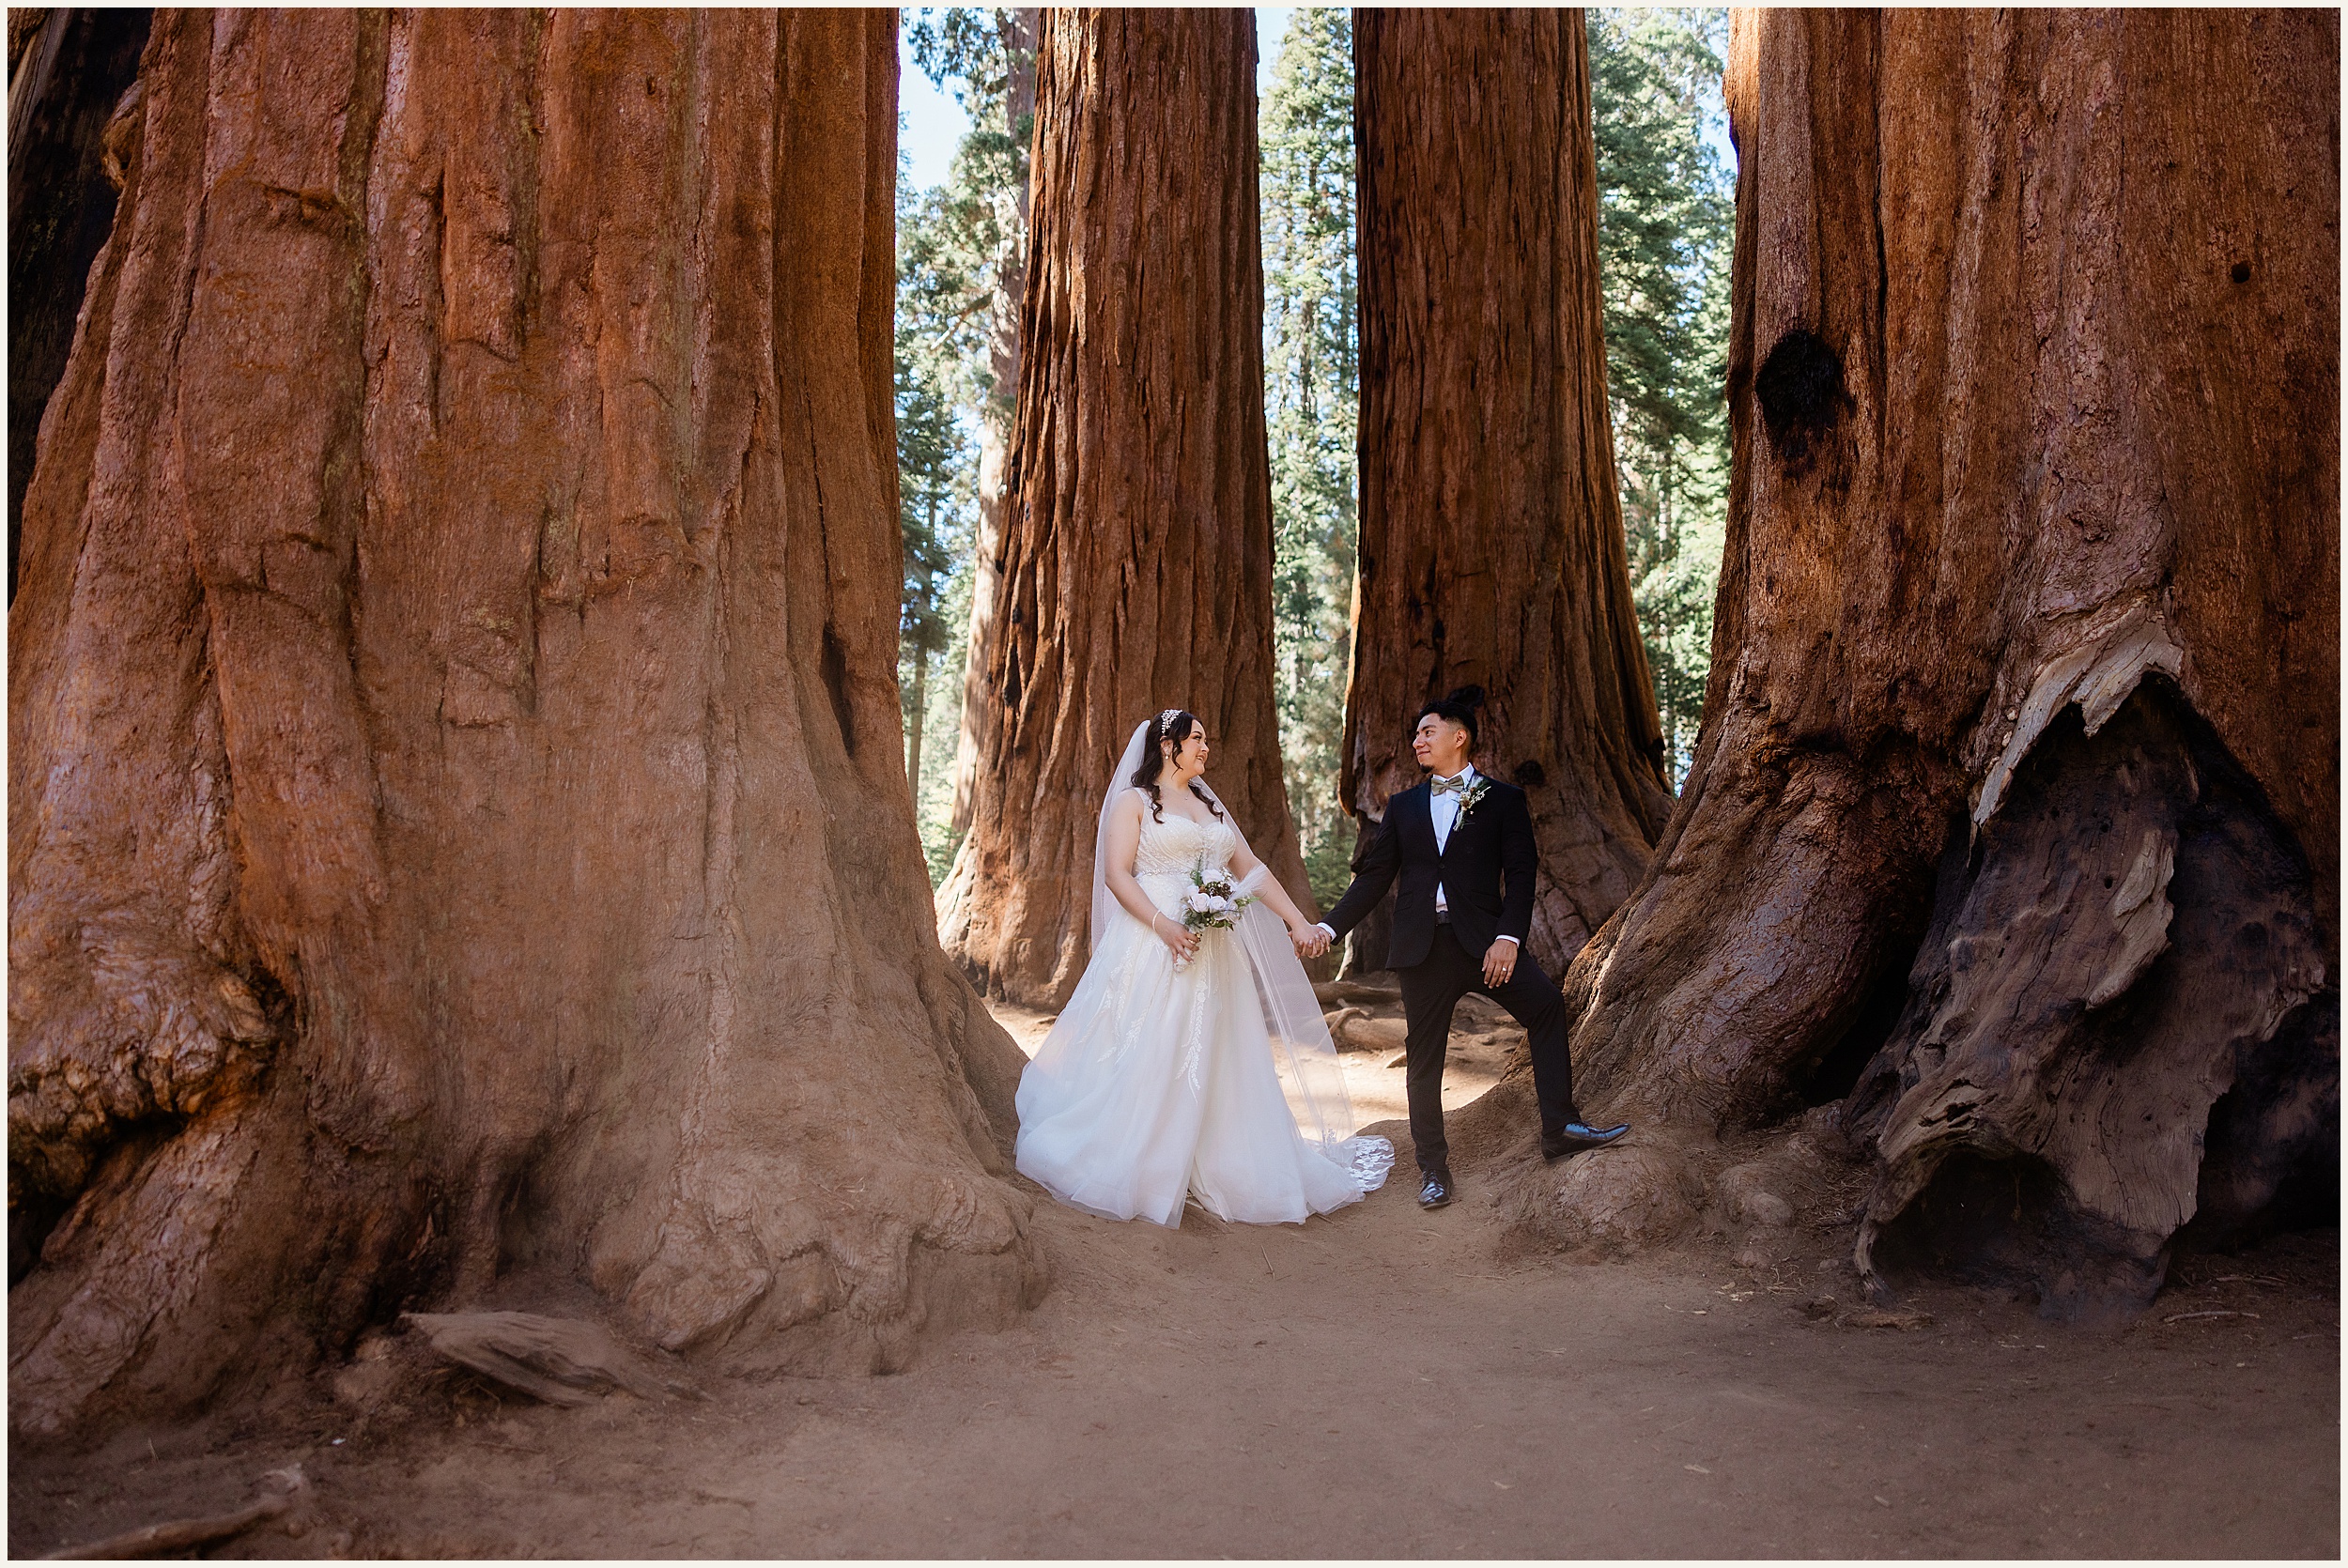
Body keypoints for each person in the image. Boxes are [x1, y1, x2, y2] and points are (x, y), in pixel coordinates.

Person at [1013, 710, 1394, 1225]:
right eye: (1196, 739)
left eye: (1206, 739)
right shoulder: (1133, 802)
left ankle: (1220, 1155)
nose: (1205, 747)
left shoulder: (1208, 804)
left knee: (1221, 1048)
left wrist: (1300, 923)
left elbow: (1251, 870)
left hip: (1216, 947)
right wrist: (1162, 925)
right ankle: (1145, 1158)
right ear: (1168, 746)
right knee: (1156, 1042)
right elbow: (1116, 875)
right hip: (1154, 940)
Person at [1299, 689, 1627, 1209]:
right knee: (1424, 1058)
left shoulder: (1503, 800)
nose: (1417, 741)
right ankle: (1433, 1170)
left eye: (1427, 731)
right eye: (1415, 735)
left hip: (1485, 946)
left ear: (1460, 737)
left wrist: (1508, 938)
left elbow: (1521, 876)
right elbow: (1373, 879)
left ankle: (1560, 1127)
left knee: (1545, 1008)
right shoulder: (1403, 807)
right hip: (1422, 949)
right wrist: (1328, 928)